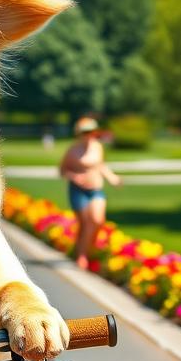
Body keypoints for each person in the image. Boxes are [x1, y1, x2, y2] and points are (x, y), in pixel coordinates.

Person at [59, 116, 121, 270]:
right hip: (78, 191)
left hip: (96, 189)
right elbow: (63, 170)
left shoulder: (97, 147)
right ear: (80, 133)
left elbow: (100, 166)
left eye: (92, 131)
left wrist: (112, 177)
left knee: (98, 220)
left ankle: (88, 249)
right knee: (85, 223)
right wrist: (75, 176)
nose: (89, 135)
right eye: (86, 132)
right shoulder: (73, 150)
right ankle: (82, 255)